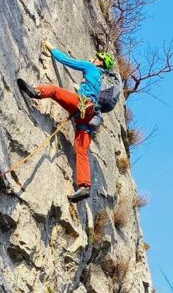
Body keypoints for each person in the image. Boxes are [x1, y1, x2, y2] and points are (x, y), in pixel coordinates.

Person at [17, 43, 120, 203]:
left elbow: (66, 60)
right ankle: (84, 186)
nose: (92, 59)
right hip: (91, 116)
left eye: (96, 58)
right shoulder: (104, 82)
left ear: (99, 62)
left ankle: (35, 92)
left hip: (82, 104)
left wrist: (52, 48)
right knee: (81, 150)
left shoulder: (91, 68)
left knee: (54, 91)